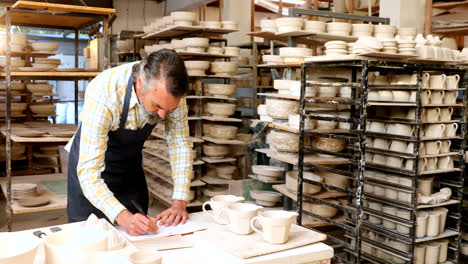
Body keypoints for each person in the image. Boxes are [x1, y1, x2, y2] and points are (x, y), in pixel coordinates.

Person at [65, 49, 193, 236]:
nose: (163, 115)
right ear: (140, 83)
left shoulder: (170, 93)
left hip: (128, 170)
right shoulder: (104, 91)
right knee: (90, 242)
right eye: (157, 106)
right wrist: (122, 216)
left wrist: (179, 202)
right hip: (91, 172)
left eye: (168, 109)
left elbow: (180, 143)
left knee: (138, 243)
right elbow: (89, 172)